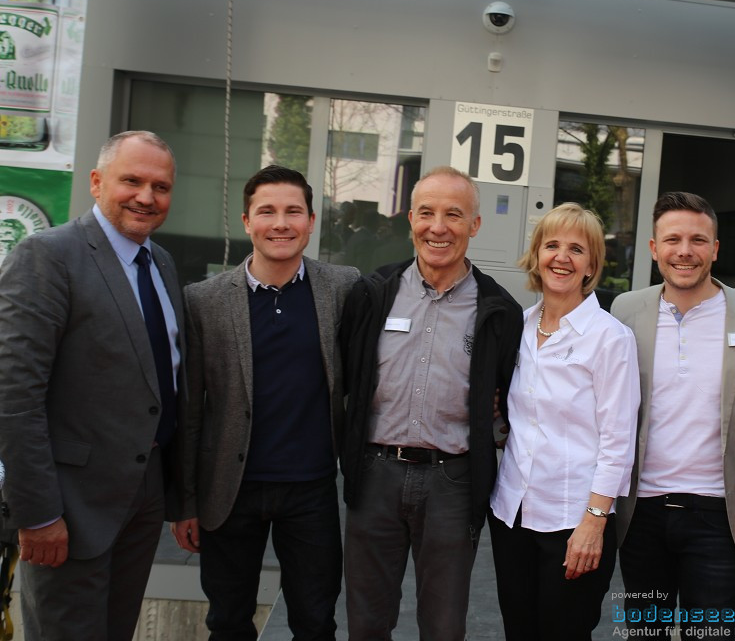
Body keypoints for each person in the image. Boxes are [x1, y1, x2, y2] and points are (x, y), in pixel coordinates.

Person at [0, 130, 183, 640]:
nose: (146, 197)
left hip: (141, 495)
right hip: (69, 504)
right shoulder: (48, 256)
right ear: (97, 182)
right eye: (132, 181)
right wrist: (36, 515)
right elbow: (13, 398)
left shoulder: (161, 263)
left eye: (161, 186)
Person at [172, 166, 359, 640]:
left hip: (312, 486)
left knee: (315, 622)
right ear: (246, 221)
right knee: (229, 622)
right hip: (229, 489)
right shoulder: (204, 301)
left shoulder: (343, 288)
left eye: (293, 211)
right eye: (267, 212)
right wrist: (186, 501)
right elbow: (191, 411)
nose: (281, 223)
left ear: (311, 221)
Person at [339, 166, 523, 641]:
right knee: (365, 622)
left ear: (475, 226)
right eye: (426, 213)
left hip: (453, 482)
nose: (437, 227)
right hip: (375, 474)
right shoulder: (373, 293)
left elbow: (509, 395)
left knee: (443, 627)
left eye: (453, 215)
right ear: (410, 219)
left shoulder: (498, 310)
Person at [611, 191, 735, 637]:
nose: (685, 251)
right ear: (653, 249)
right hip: (640, 513)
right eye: (673, 240)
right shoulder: (625, 311)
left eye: (698, 240)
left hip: (719, 516)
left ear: (715, 248)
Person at [489, 202, 640, 641]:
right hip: (512, 514)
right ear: (536, 255)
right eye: (551, 245)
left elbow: (618, 442)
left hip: (572, 523)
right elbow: (514, 416)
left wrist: (593, 524)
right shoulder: (517, 326)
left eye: (577, 249)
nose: (562, 257)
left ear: (592, 264)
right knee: (519, 631)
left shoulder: (610, 338)